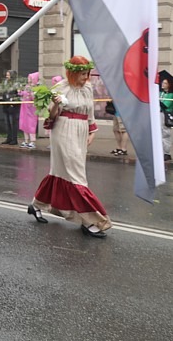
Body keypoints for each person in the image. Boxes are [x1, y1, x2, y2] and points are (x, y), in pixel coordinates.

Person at [28, 56, 111, 238]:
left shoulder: (88, 87)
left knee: (60, 172)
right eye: (82, 74)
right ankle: (90, 220)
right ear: (73, 73)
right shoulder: (61, 87)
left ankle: (36, 205)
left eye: (87, 73)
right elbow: (51, 115)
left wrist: (92, 131)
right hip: (64, 129)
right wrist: (56, 104)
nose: (85, 77)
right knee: (76, 176)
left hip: (80, 131)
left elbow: (89, 112)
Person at [0, 70, 22, 145]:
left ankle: (14, 139)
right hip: (6, 104)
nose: (7, 76)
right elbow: (1, 91)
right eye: (6, 75)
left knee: (13, 122)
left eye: (8, 75)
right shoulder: (5, 83)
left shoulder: (17, 84)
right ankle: (9, 138)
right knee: (7, 123)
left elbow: (18, 95)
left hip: (13, 106)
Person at [19, 72, 39, 149]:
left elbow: (35, 98)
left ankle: (32, 141)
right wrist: (20, 92)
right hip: (24, 108)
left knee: (31, 124)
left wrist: (32, 94)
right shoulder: (27, 86)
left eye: (30, 78)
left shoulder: (36, 88)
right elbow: (24, 94)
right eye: (28, 78)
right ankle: (26, 140)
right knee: (24, 123)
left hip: (31, 109)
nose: (29, 80)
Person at [159, 77, 173, 162]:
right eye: (162, 83)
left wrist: (158, 101)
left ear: (169, 85)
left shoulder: (171, 95)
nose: (163, 84)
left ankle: (167, 153)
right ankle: (161, 151)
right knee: (160, 133)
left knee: (165, 133)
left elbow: (165, 105)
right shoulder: (160, 93)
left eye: (165, 83)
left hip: (166, 114)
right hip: (159, 113)